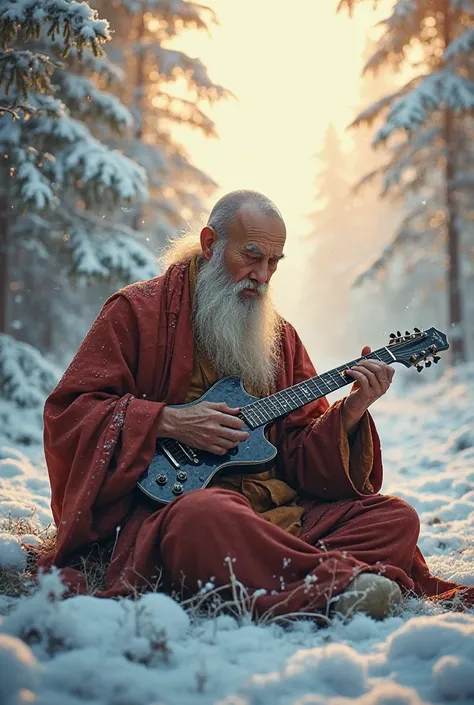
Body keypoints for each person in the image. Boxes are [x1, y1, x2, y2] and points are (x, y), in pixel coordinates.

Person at [41, 190, 473, 620]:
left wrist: (352, 412)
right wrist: (168, 421)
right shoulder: (135, 311)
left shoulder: (278, 336)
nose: (262, 275)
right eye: (251, 257)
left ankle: (284, 576)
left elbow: (301, 452)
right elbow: (71, 413)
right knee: (203, 518)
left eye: (273, 263)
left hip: (273, 511)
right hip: (175, 509)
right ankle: (337, 585)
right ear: (211, 244)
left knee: (394, 518)